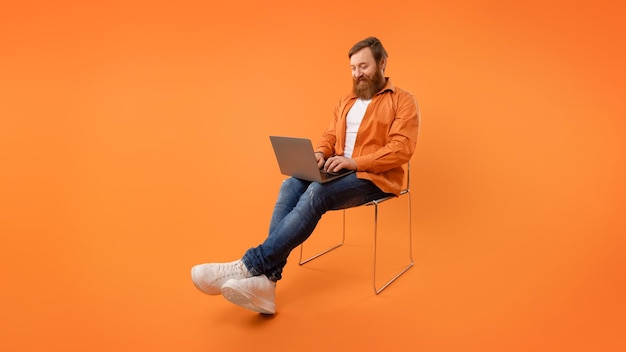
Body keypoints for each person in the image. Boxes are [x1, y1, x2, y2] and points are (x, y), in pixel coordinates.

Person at [191, 37, 420, 314]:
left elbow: (401, 150)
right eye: (352, 68)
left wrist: (354, 162)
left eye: (363, 66)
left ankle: (249, 266)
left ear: (382, 63)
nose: (357, 74)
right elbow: (330, 136)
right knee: (290, 184)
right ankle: (266, 284)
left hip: (375, 179)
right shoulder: (346, 101)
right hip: (337, 171)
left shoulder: (404, 101)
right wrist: (321, 154)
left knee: (317, 192)